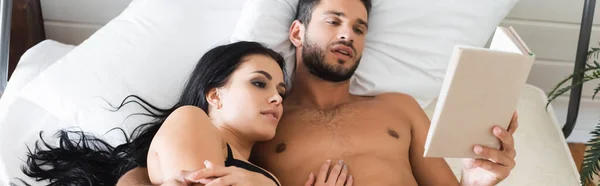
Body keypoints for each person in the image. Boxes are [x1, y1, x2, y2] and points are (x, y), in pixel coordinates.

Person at [120, 0, 519, 185]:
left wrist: (477, 179)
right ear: (297, 32)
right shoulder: (262, 121)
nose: (348, 33)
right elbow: (161, 170)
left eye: (359, 28)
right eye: (333, 20)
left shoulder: (401, 108)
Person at [20, 41, 353, 186]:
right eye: (259, 83)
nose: (277, 99)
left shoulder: (257, 170)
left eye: (280, 92)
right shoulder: (192, 120)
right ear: (214, 95)